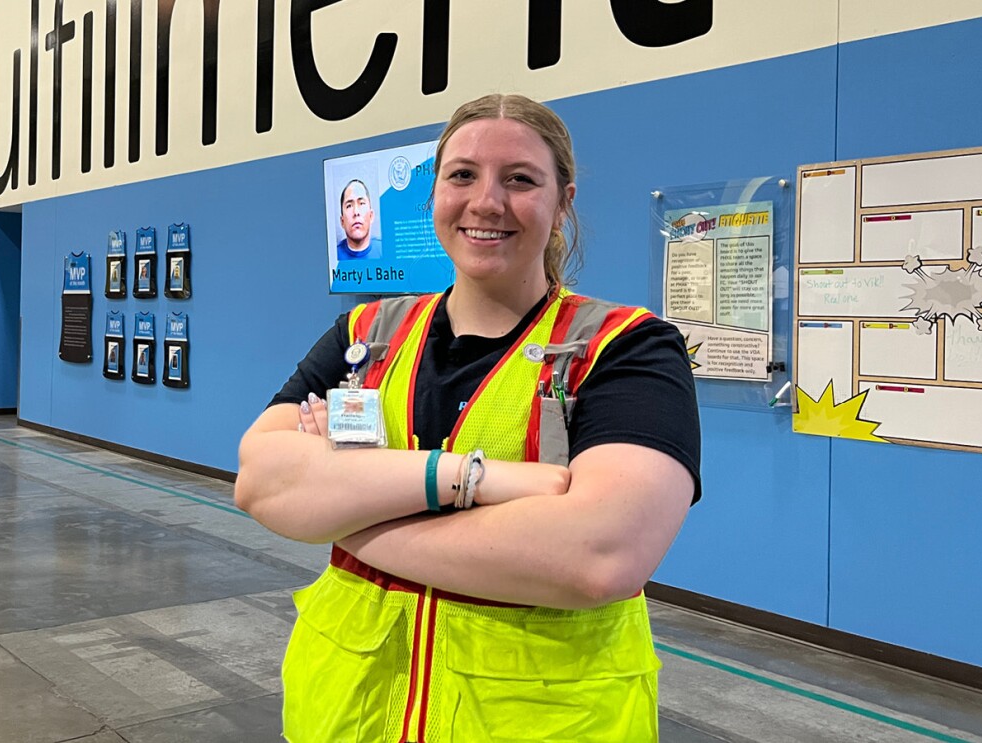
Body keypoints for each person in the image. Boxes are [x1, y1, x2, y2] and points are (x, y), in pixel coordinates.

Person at [235, 93, 700, 742]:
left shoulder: (625, 347)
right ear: (434, 195)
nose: (487, 201)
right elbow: (260, 478)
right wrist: (472, 480)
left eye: (520, 179)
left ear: (562, 202)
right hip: (348, 714)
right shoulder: (367, 335)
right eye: (462, 175)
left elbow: (600, 554)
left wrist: (352, 517)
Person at [336, 179, 384, 260]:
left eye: (361, 203)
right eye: (349, 206)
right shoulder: (334, 255)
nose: (356, 212)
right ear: (342, 221)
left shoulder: (385, 251)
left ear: (371, 216)